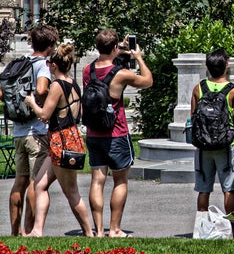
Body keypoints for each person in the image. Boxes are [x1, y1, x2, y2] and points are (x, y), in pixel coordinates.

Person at [83, 29, 153, 237]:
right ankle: (114, 229)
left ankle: (98, 230)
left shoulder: (88, 70)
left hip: (94, 133)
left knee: (97, 180)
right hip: (116, 133)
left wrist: (118, 49)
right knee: (120, 181)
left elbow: (106, 60)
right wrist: (138, 58)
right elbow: (148, 81)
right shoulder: (121, 74)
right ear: (114, 47)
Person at [24, 43, 93, 237]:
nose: (47, 66)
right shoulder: (73, 83)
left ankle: (89, 232)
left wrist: (31, 102)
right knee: (40, 185)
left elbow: (45, 115)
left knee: (71, 192)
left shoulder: (56, 86)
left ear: (54, 65)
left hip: (61, 142)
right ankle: (37, 230)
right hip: (67, 139)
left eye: (48, 63)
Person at [5, 24, 58, 236]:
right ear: (50, 45)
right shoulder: (42, 66)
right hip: (36, 131)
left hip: (18, 131)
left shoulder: (19, 63)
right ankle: (30, 231)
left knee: (20, 181)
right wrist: (45, 102)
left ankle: (15, 232)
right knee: (37, 183)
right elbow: (41, 89)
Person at [190, 48, 234, 215]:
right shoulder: (233, 90)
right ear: (226, 66)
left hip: (203, 146)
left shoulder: (199, 88)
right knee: (228, 188)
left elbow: (193, 116)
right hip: (226, 145)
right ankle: (231, 226)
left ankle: (201, 226)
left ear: (207, 66)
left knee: (203, 189)